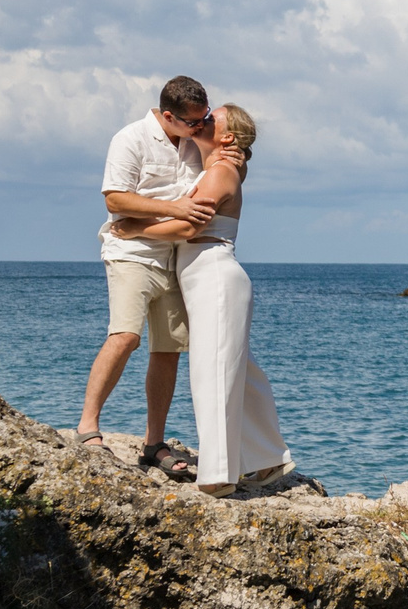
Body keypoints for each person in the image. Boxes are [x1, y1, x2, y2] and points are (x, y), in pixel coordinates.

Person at [109, 102, 291, 497]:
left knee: (214, 373)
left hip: (214, 275)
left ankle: (218, 475)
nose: (201, 121)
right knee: (239, 369)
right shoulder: (218, 166)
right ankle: (268, 457)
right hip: (205, 277)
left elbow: (189, 227)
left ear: (226, 137)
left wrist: (133, 229)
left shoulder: (221, 171)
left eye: (210, 119)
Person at [75, 75, 215, 478]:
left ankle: (154, 442)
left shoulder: (196, 141)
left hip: (177, 257)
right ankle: (87, 426)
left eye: (203, 117)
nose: (199, 126)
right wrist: (174, 210)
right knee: (125, 335)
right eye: (193, 121)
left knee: (169, 348)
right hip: (131, 253)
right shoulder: (130, 138)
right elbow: (115, 199)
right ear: (168, 116)